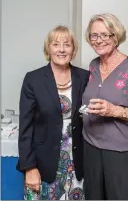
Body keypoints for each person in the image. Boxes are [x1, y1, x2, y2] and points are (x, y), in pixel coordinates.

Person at [82, 13, 128, 200]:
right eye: (94, 35)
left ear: (116, 37)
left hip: (121, 153)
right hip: (91, 147)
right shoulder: (93, 65)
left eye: (105, 35)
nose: (98, 40)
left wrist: (113, 110)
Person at [16, 25, 89, 200]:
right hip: (42, 167)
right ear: (48, 48)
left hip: (78, 166)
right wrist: (30, 168)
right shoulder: (33, 79)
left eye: (67, 44)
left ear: (74, 49)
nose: (62, 50)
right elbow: (25, 128)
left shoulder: (85, 77)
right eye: (56, 44)